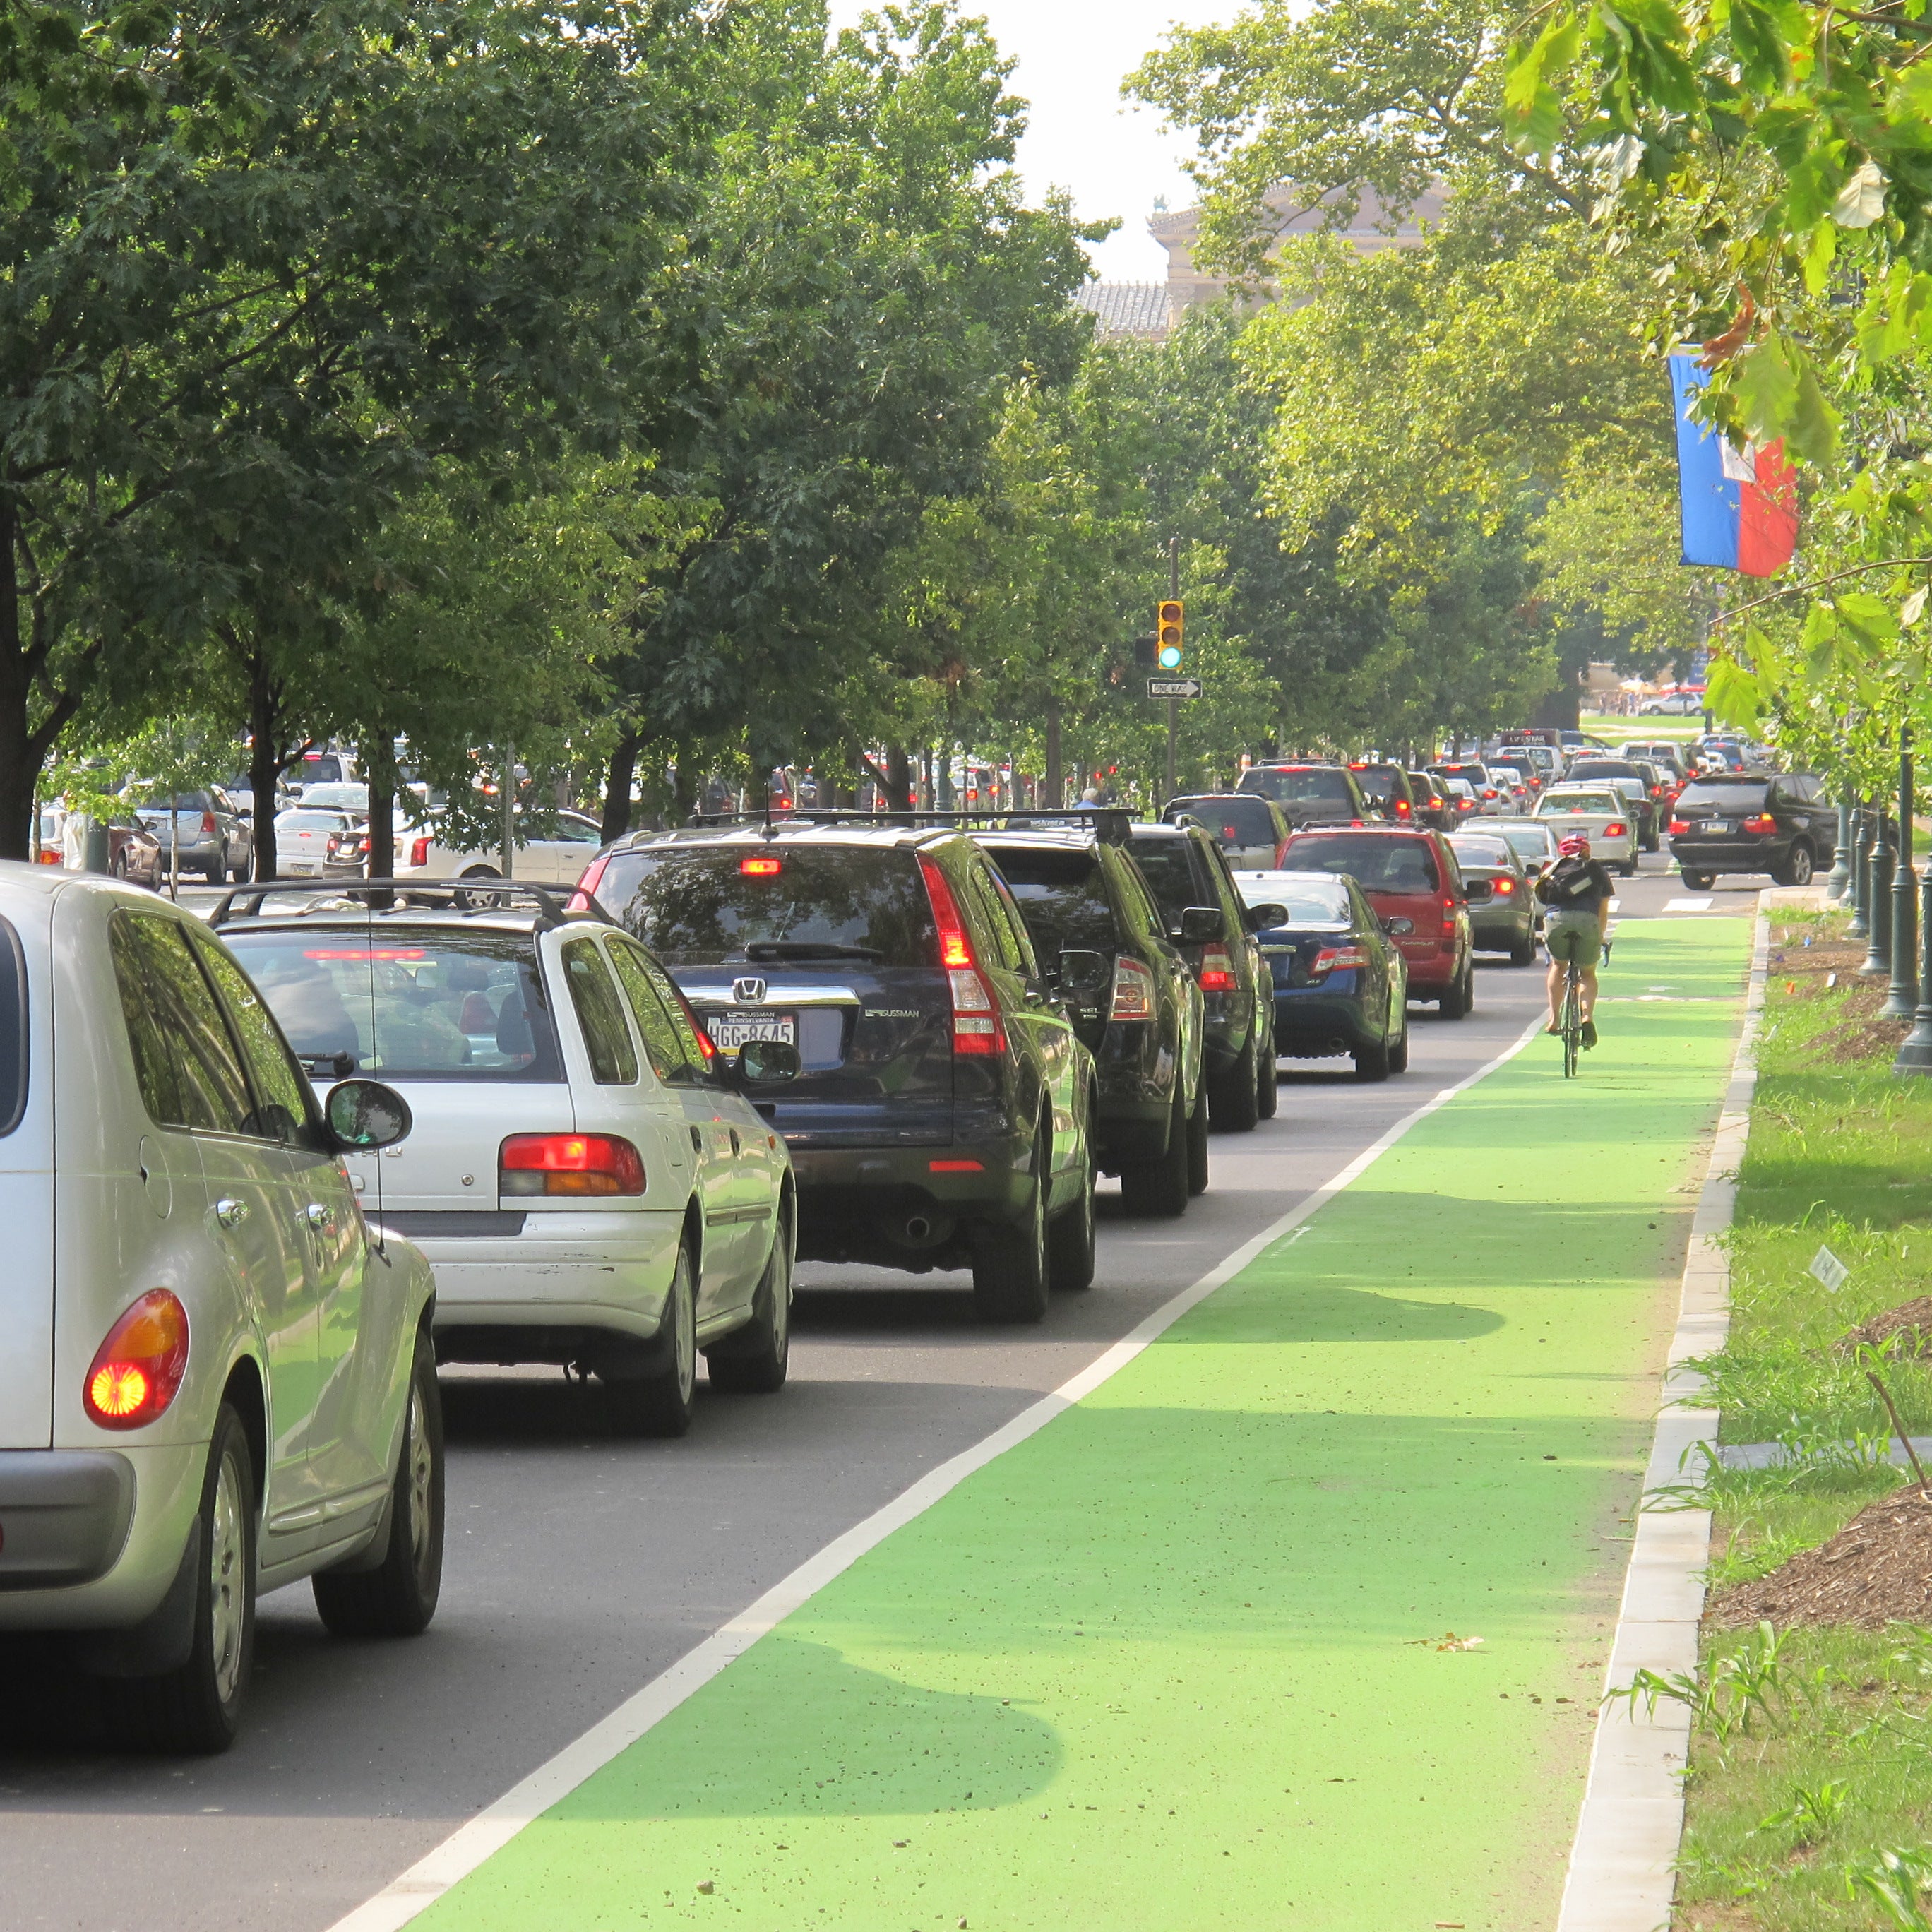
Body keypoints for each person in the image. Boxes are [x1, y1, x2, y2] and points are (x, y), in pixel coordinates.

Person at [1536, 831, 1614, 1047]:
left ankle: (1555, 1019)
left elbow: (1543, 902)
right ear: (1587, 851)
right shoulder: (1596, 870)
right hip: (1588, 922)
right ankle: (1587, 1017)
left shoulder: (1551, 870)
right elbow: (1603, 910)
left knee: (1558, 966)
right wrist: (1599, 937)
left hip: (1556, 921)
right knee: (1587, 972)